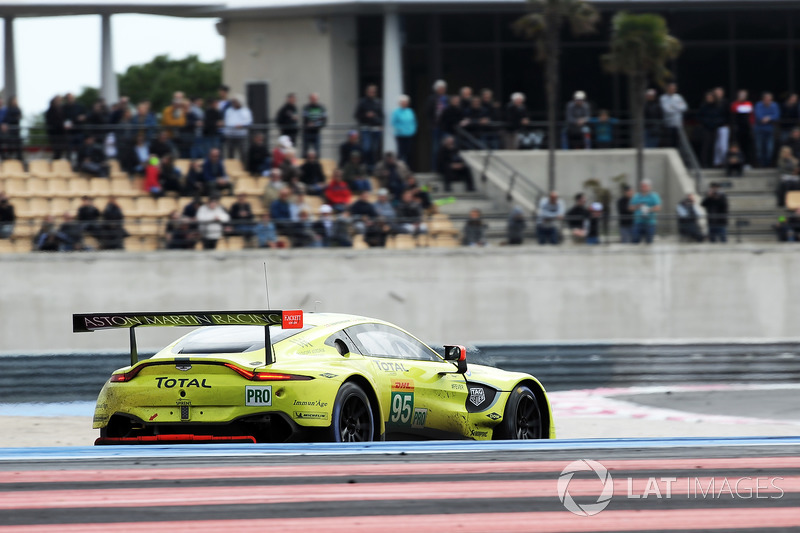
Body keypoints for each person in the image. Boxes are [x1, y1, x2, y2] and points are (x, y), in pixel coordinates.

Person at [354, 84, 384, 170]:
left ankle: (373, 168)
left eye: (373, 92)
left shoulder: (378, 102)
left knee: (374, 150)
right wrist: (366, 115)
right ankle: (365, 165)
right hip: (366, 128)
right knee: (366, 148)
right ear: (367, 92)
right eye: (370, 91)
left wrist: (379, 122)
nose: (372, 93)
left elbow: (382, 116)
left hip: (376, 129)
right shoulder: (362, 102)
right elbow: (357, 115)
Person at [426, 79, 449, 170]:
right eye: (440, 88)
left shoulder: (447, 98)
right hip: (436, 127)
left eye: (443, 88)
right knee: (435, 149)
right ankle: (434, 169)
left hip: (445, 127)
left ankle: (444, 168)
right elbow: (428, 112)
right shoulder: (431, 99)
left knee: (446, 148)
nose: (442, 90)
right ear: (436, 89)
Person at [698, 91, 725, 168]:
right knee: (705, 146)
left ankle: (711, 163)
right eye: (707, 98)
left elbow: (721, 117)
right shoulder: (703, 106)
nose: (709, 99)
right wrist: (706, 122)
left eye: (710, 97)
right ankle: (703, 163)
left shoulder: (717, 106)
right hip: (706, 128)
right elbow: (699, 117)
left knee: (713, 146)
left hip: (714, 128)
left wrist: (716, 123)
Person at [630, 179, 661, 244]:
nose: (643, 187)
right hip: (638, 222)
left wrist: (648, 209)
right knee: (635, 240)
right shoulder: (636, 196)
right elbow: (630, 207)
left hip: (650, 222)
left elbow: (658, 207)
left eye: (645, 186)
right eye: (642, 186)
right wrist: (638, 207)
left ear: (649, 187)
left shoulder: (654, 196)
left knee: (649, 242)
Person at [223, 94, 253, 161]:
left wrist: (241, 125)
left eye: (235, 102)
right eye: (233, 102)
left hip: (241, 135)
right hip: (230, 135)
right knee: (230, 154)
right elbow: (227, 121)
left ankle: (244, 168)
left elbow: (248, 121)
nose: (234, 103)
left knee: (243, 153)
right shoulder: (229, 111)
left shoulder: (245, 111)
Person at [754, 92, 780, 168]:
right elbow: (758, 116)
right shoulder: (758, 105)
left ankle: (768, 164)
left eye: (769, 99)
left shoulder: (774, 105)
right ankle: (760, 164)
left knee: (769, 148)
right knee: (759, 148)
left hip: (770, 130)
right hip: (759, 130)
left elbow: (776, 115)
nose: (768, 100)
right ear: (763, 99)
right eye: (766, 99)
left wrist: (769, 118)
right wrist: (767, 118)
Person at [391, 95, 417, 165]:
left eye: (406, 102)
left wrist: (413, 130)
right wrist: (400, 129)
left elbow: (414, 122)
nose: (404, 103)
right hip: (400, 135)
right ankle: (399, 167)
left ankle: (408, 168)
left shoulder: (410, 111)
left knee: (409, 152)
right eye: (403, 102)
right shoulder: (396, 112)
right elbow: (394, 122)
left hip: (409, 134)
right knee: (401, 152)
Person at [659, 83, 687, 148]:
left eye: (674, 89)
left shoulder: (678, 97)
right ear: (668, 89)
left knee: (677, 141)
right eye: (671, 88)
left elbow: (684, 108)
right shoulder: (663, 98)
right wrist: (678, 108)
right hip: (668, 124)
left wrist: (673, 107)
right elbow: (667, 110)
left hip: (678, 124)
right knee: (669, 142)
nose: (672, 90)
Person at [731, 90, 755, 166]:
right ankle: (739, 162)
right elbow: (734, 109)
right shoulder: (735, 104)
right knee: (738, 146)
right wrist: (743, 109)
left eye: (744, 95)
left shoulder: (748, 103)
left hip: (747, 129)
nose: (742, 96)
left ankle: (747, 162)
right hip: (738, 129)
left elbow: (750, 111)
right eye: (741, 95)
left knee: (747, 146)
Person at [302, 93, 327, 157]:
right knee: (305, 150)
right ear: (310, 99)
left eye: (315, 99)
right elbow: (305, 119)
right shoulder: (306, 108)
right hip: (307, 132)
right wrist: (309, 124)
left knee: (317, 151)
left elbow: (324, 120)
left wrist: (315, 124)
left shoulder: (321, 108)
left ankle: (316, 164)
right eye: (312, 98)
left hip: (316, 132)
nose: (314, 100)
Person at [712, 87, 731, 167]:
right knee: (716, 146)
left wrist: (728, 123)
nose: (718, 94)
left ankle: (725, 161)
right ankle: (717, 162)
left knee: (723, 146)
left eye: (719, 92)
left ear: (722, 93)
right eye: (716, 93)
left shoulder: (726, 102)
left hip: (723, 126)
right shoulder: (712, 103)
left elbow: (729, 114)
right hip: (714, 127)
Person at [45, 95, 67, 160]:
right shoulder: (50, 111)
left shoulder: (62, 109)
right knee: (57, 151)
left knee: (60, 150)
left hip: (61, 133)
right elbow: (51, 122)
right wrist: (61, 125)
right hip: (54, 133)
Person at [2, 96, 22, 161]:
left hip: (16, 130)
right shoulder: (8, 109)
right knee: (9, 143)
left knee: (17, 143)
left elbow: (19, 117)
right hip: (11, 130)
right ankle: (8, 156)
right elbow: (8, 119)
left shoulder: (17, 109)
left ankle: (19, 157)